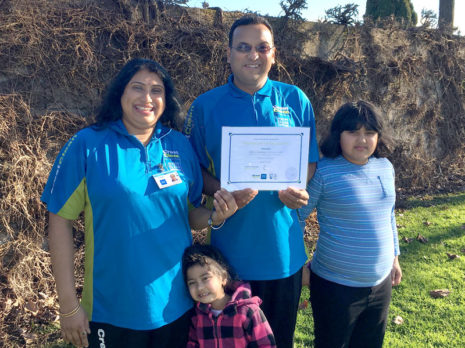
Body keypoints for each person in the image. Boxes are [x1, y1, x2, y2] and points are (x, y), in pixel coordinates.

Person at [41, 58, 238, 348]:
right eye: (138, 87)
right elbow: (59, 220)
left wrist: (213, 216)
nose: (147, 98)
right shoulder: (87, 145)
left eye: (156, 90)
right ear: (120, 93)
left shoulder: (180, 146)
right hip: (112, 310)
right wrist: (69, 305)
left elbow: (189, 214)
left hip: (177, 305)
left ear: (165, 99)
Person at [183, 14, 319, 347]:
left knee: (278, 341)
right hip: (228, 263)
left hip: (282, 255)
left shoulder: (295, 100)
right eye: (243, 47)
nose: (253, 55)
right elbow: (194, 169)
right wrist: (224, 190)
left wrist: (295, 188)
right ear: (229, 53)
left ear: (274, 54)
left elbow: (310, 162)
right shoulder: (205, 107)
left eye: (262, 47)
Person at [298, 101, 402, 348]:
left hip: (380, 285)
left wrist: (395, 258)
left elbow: (388, 215)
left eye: (369, 132)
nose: (362, 140)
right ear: (338, 135)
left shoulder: (385, 167)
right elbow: (296, 218)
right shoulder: (323, 172)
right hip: (335, 287)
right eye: (353, 132)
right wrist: (299, 263)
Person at [182, 244, 276, 347]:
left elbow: (265, 344)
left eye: (205, 278)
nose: (199, 287)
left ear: (223, 277)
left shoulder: (248, 311)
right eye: (192, 282)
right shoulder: (198, 316)